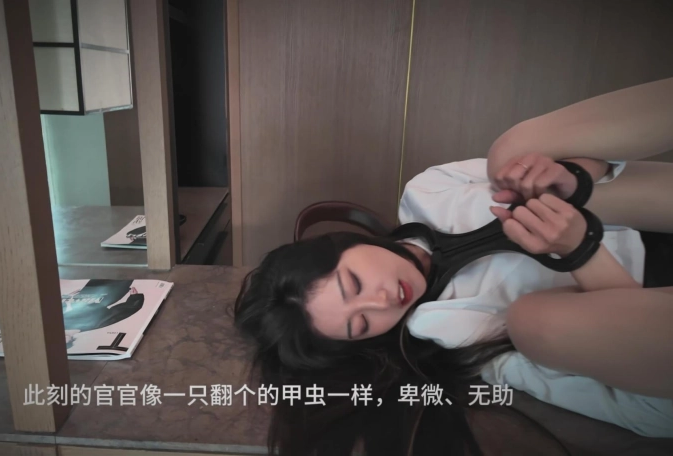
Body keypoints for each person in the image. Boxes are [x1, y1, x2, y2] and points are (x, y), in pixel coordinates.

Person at [233, 77, 673, 455]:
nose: (382, 301)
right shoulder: (458, 334)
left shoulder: (430, 191)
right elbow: (652, 412)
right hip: (654, 301)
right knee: (532, 323)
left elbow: (602, 160)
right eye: (362, 323)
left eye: (355, 283)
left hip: (650, 210)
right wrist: (581, 252)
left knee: (510, 155)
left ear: (344, 244)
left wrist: (573, 176)